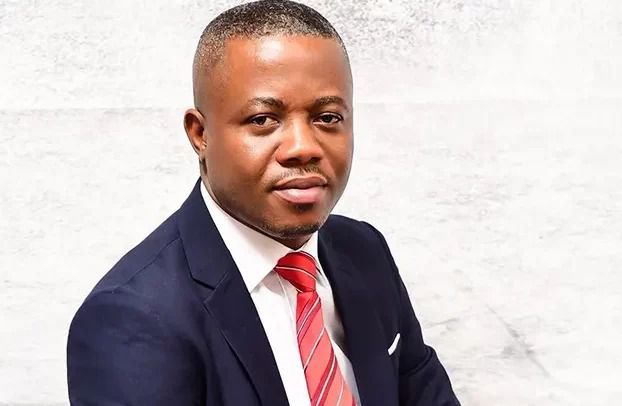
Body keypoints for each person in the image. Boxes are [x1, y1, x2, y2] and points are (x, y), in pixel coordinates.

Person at [66, 1, 460, 405]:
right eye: (263, 120)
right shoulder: (133, 318)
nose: (303, 147)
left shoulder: (364, 252)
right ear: (200, 134)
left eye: (327, 117)